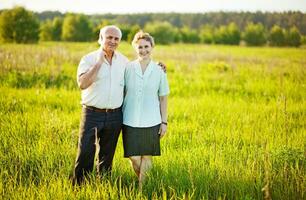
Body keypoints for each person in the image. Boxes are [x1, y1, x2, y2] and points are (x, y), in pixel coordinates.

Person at [72, 25, 166, 185]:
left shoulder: (124, 62)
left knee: (107, 156)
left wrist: (159, 66)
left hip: (115, 115)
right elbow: (82, 83)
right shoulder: (88, 59)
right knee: (86, 152)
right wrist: (99, 63)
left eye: (116, 38)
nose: (112, 41)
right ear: (100, 39)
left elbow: (140, 69)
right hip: (92, 114)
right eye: (109, 37)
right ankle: (79, 187)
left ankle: (103, 185)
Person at [122, 30, 170, 189]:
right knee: (134, 157)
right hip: (129, 119)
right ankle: (142, 179)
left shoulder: (159, 71)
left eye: (146, 46)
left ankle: (141, 190)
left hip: (152, 120)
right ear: (135, 48)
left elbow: (163, 98)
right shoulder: (127, 68)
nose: (143, 50)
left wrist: (164, 122)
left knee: (147, 157)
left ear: (152, 47)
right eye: (140, 47)